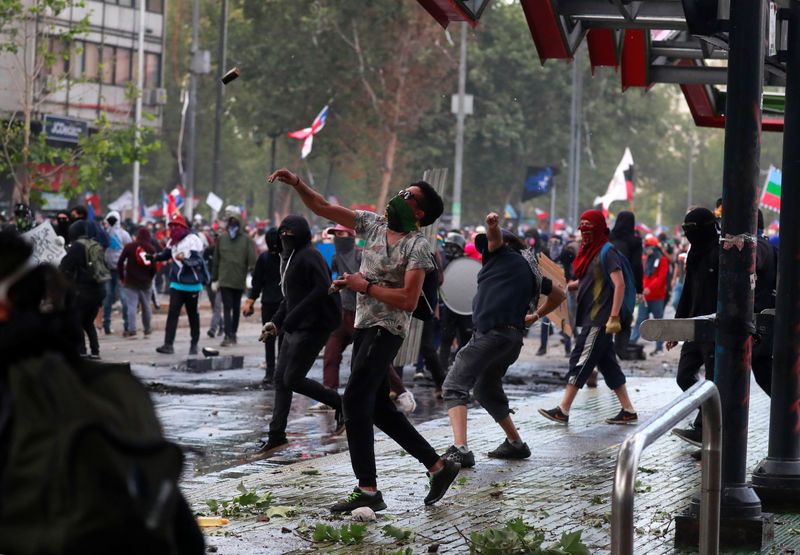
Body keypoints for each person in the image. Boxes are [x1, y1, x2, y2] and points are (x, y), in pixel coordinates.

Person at [267, 168, 460, 512]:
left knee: (355, 402)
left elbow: (409, 301)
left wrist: (364, 286)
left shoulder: (418, 247)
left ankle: (368, 489)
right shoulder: (373, 225)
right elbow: (324, 207)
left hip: (387, 330)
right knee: (381, 409)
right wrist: (297, 183)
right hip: (363, 326)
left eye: (409, 196)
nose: (400, 196)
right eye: (403, 190)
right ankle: (439, 467)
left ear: (420, 213)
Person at [442, 213, 565, 468]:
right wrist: (536, 316)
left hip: (491, 334)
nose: (484, 249)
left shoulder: (499, 253)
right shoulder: (529, 271)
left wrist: (492, 227)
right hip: (512, 339)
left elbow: (496, 240)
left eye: (485, 244)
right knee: (487, 389)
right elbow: (560, 294)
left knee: (454, 385)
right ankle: (516, 444)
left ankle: (460, 449)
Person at [538, 209, 638, 425]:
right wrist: (564, 286)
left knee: (580, 359)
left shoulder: (607, 251)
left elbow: (619, 284)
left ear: (600, 230)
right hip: (591, 317)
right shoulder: (590, 252)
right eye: (582, 229)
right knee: (608, 365)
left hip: (600, 318)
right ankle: (628, 410)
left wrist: (613, 316)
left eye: (589, 229)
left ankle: (563, 409)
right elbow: (587, 281)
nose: (584, 234)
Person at [256, 215, 345, 456]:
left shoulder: (309, 255)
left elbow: (321, 289)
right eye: (282, 234)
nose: (285, 238)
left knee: (292, 379)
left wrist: (290, 318)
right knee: (280, 379)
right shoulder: (289, 257)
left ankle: (341, 404)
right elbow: (290, 296)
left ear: (302, 235)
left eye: (289, 234)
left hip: (315, 325)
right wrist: (275, 322)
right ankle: (276, 436)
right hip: (295, 324)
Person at [669, 208, 719, 446]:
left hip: (714, 328)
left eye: (693, 230)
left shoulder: (722, 253)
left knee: (713, 379)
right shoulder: (695, 253)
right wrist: (676, 328)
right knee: (684, 375)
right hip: (693, 326)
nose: (689, 235)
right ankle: (708, 415)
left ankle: (704, 430)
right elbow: (688, 292)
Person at [154, 215, 205, 356]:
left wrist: (185, 260)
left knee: (193, 316)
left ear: (184, 227)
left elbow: (198, 261)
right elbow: (166, 254)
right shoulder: (172, 241)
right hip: (176, 285)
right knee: (172, 315)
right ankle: (168, 345)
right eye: (172, 226)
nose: (174, 229)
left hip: (193, 286)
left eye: (177, 226)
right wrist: (154, 257)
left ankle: (194, 345)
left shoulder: (193, 240)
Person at [319, 223, 361, 395]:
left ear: (351, 237)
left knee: (368, 359)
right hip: (343, 312)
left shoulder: (360, 256)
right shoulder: (336, 257)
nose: (338, 238)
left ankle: (401, 392)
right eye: (335, 235)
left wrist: (348, 281)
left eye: (342, 234)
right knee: (331, 354)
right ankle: (329, 394)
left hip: (361, 314)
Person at [59, 221, 106, 359]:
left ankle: (82, 350)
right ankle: (95, 351)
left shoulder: (77, 247)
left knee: (77, 321)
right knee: (87, 322)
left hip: (84, 291)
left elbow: (64, 266)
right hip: (100, 291)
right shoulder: (96, 245)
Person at [244, 227, 284, 386]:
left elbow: (256, 284)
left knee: (270, 339)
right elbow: (257, 283)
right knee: (279, 339)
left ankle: (271, 373)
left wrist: (251, 302)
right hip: (280, 304)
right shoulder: (283, 258)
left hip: (272, 304)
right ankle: (276, 372)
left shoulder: (265, 258)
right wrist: (250, 301)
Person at [211, 207, 256, 347]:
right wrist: (214, 279)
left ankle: (233, 334)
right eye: (231, 221)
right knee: (227, 308)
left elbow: (252, 261)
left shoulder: (247, 240)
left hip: (238, 280)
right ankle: (227, 335)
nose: (233, 224)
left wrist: (255, 280)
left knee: (236, 309)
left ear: (240, 223)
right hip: (224, 280)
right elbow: (216, 260)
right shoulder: (222, 239)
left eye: (235, 221)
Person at [608, 211, 643, 360]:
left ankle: (606, 350)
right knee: (625, 318)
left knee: (607, 314)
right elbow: (637, 265)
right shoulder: (635, 241)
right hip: (627, 283)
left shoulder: (608, 238)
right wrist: (639, 289)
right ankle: (620, 350)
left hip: (608, 281)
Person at [630, 235, 668, 355]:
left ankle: (659, 347)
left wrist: (649, 288)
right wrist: (641, 290)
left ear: (655, 247)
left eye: (649, 246)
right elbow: (643, 276)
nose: (647, 248)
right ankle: (632, 341)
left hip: (657, 297)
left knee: (658, 323)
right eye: (646, 246)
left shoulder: (662, 260)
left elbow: (661, 277)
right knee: (640, 321)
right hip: (645, 297)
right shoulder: (645, 260)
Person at [117, 226, 157, 337]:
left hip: (130, 281)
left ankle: (132, 330)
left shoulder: (130, 247)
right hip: (146, 282)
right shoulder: (151, 248)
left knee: (132, 306)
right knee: (146, 306)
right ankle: (147, 329)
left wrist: (122, 278)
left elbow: (120, 263)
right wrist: (150, 277)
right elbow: (154, 267)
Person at [102, 211, 132, 335]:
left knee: (124, 299)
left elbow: (130, 250)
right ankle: (106, 324)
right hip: (108, 270)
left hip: (122, 271)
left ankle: (127, 325)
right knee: (107, 298)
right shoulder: (104, 234)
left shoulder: (124, 234)